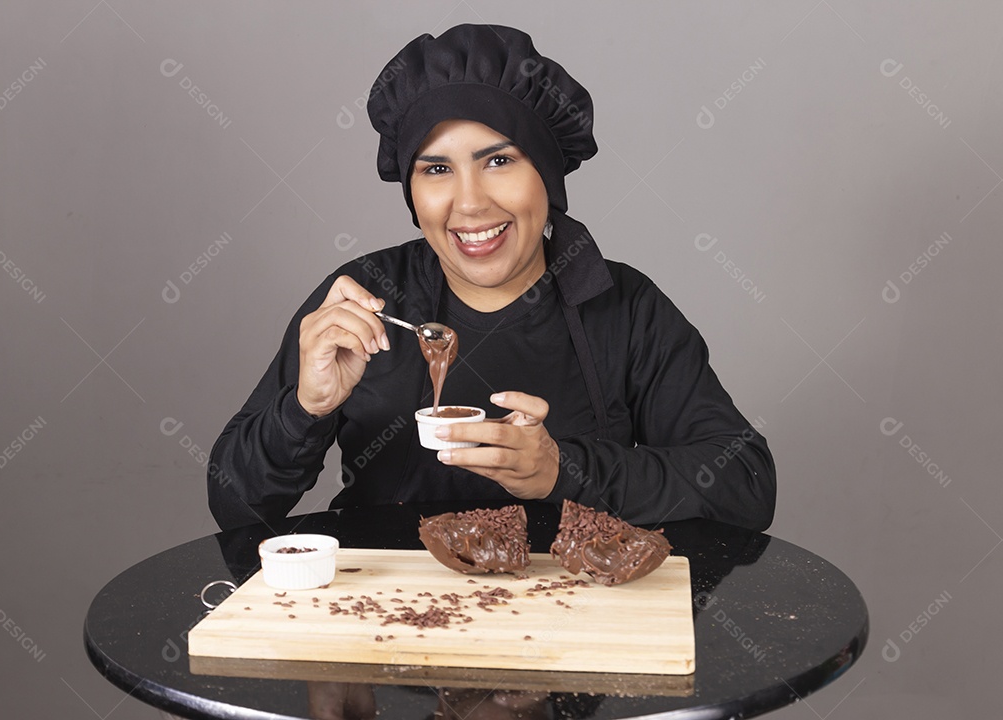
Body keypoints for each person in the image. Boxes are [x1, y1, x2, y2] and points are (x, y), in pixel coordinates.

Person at [207, 24, 776, 534]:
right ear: (412, 191)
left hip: (569, 621)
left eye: (499, 161)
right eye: (436, 169)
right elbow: (235, 505)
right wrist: (306, 408)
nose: (470, 203)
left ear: (547, 177)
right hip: (382, 616)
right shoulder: (365, 297)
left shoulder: (625, 308)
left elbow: (746, 485)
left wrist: (563, 469)